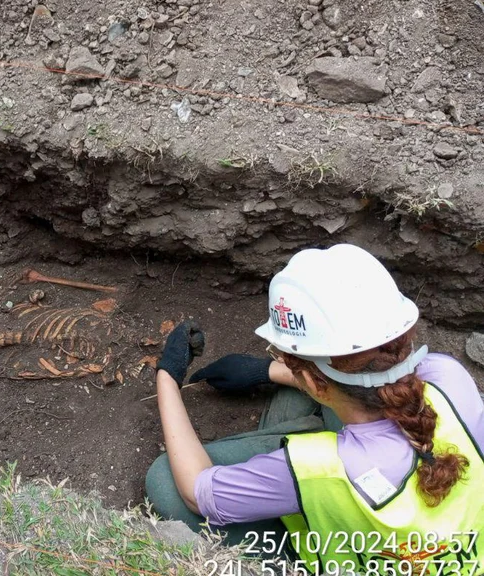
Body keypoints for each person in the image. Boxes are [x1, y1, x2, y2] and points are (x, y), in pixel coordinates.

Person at [145, 244, 484, 574]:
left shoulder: (318, 469)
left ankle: (285, 564)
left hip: (350, 551)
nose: (280, 361)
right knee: (330, 404)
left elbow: (195, 491)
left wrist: (168, 377)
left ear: (315, 381)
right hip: (464, 554)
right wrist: (265, 371)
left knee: (165, 482)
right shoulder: (447, 376)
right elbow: (371, 384)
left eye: (285, 361)